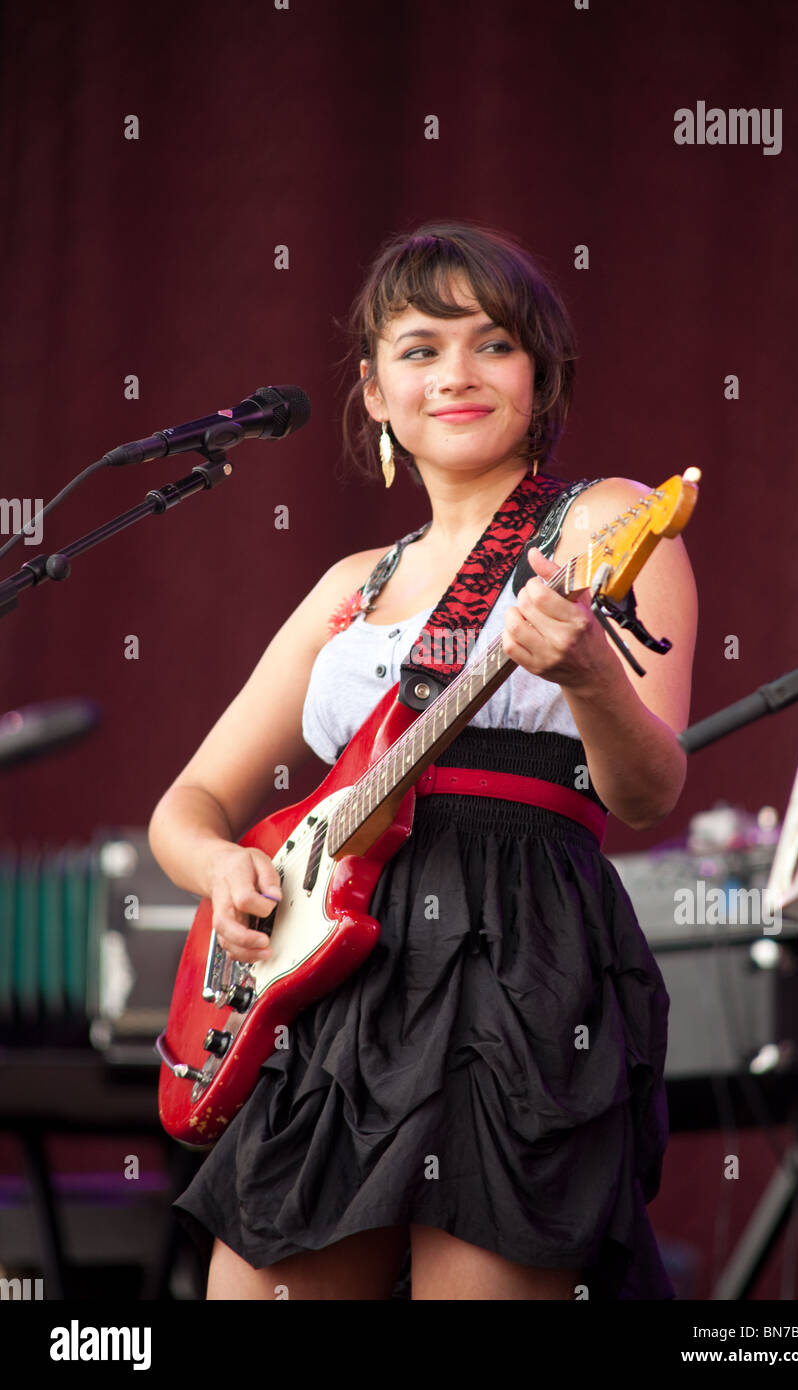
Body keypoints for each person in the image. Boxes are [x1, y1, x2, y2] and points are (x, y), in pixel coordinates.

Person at [148, 219, 698, 1301]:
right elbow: (191, 803)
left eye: (492, 344)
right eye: (418, 348)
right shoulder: (349, 586)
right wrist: (221, 868)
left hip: (520, 952)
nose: (455, 374)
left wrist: (587, 673)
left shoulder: (606, 521)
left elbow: (648, 790)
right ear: (371, 389)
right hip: (337, 978)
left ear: (540, 378)